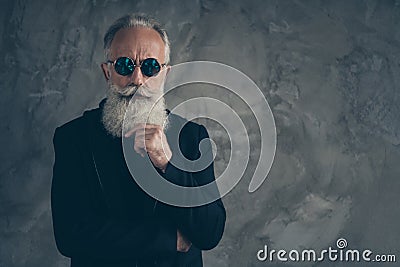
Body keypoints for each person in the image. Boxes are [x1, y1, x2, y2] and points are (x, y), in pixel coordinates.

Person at [51, 13, 226, 267]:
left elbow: (210, 232)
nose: (138, 79)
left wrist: (169, 165)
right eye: (124, 65)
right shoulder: (73, 138)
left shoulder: (192, 137)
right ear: (107, 71)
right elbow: (71, 235)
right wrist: (168, 239)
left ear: (165, 74)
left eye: (150, 67)